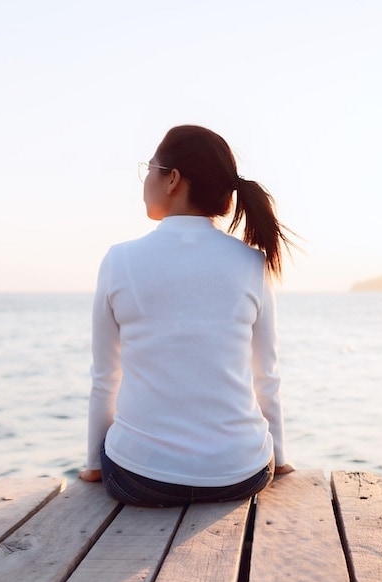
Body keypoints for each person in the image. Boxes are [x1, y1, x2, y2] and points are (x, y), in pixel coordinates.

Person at [79, 125, 294, 506]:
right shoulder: (252, 263)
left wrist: (96, 463)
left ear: (172, 179)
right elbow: (267, 376)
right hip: (241, 475)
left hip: (139, 479)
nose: (145, 179)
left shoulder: (119, 260)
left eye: (150, 168)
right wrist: (278, 457)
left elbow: (105, 378)